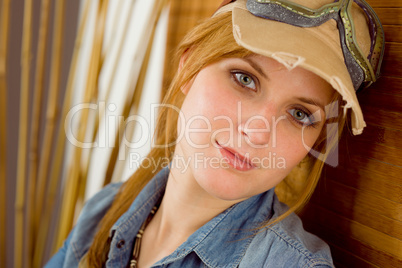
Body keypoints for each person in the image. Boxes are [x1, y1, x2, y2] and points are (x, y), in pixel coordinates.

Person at [46, 0, 385, 267]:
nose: (256, 132)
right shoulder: (103, 212)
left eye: (299, 114)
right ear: (188, 68)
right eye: (245, 78)